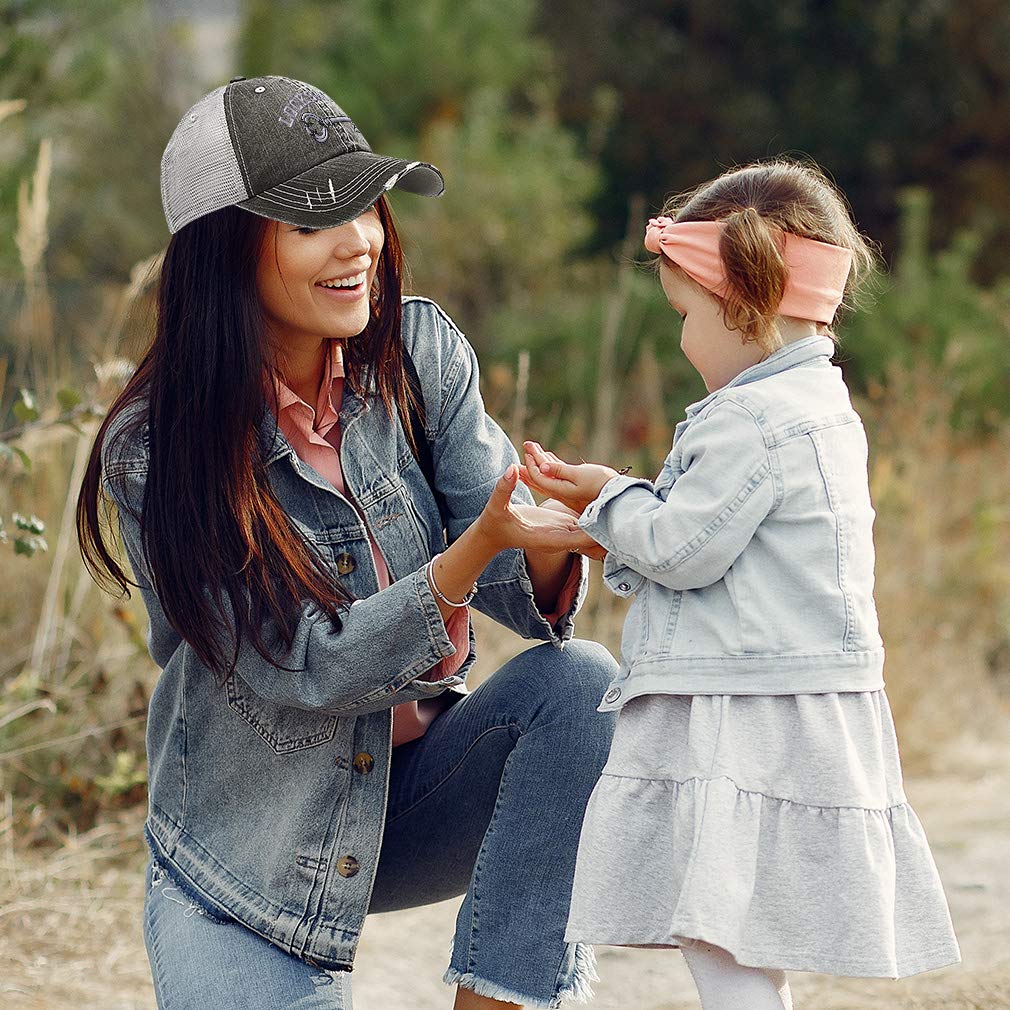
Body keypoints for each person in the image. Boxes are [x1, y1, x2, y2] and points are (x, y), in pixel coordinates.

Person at [76, 74, 618, 1010]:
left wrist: (540, 537)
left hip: (411, 794)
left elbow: (509, 578)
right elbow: (301, 666)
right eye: (311, 221)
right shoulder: (157, 450)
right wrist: (467, 554)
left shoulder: (417, 355)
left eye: (365, 203)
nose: (361, 239)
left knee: (585, 692)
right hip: (251, 855)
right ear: (223, 251)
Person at [519, 159, 961, 1010]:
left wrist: (612, 502)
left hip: (741, 711)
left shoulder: (752, 421)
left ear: (747, 304)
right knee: (738, 929)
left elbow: (683, 549)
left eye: (686, 315)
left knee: (717, 924)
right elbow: (713, 535)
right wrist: (612, 498)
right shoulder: (819, 405)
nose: (682, 340)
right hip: (789, 694)